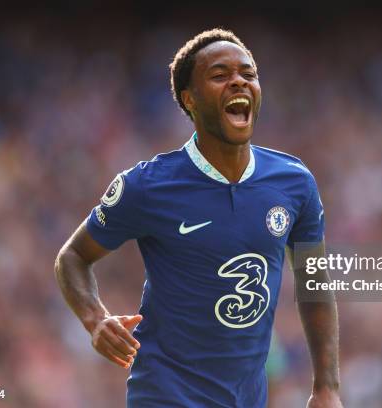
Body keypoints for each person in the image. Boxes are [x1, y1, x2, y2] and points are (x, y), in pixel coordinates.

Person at [55, 28, 342, 408]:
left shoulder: (294, 182)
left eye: (248, 73)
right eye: (220, 75)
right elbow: (72, 257)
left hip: (246, 399)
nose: (239, 80)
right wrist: (95, 320)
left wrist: (326, 387)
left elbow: (314, 283)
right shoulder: (147, 185)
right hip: (164, 394)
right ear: (189, 100)